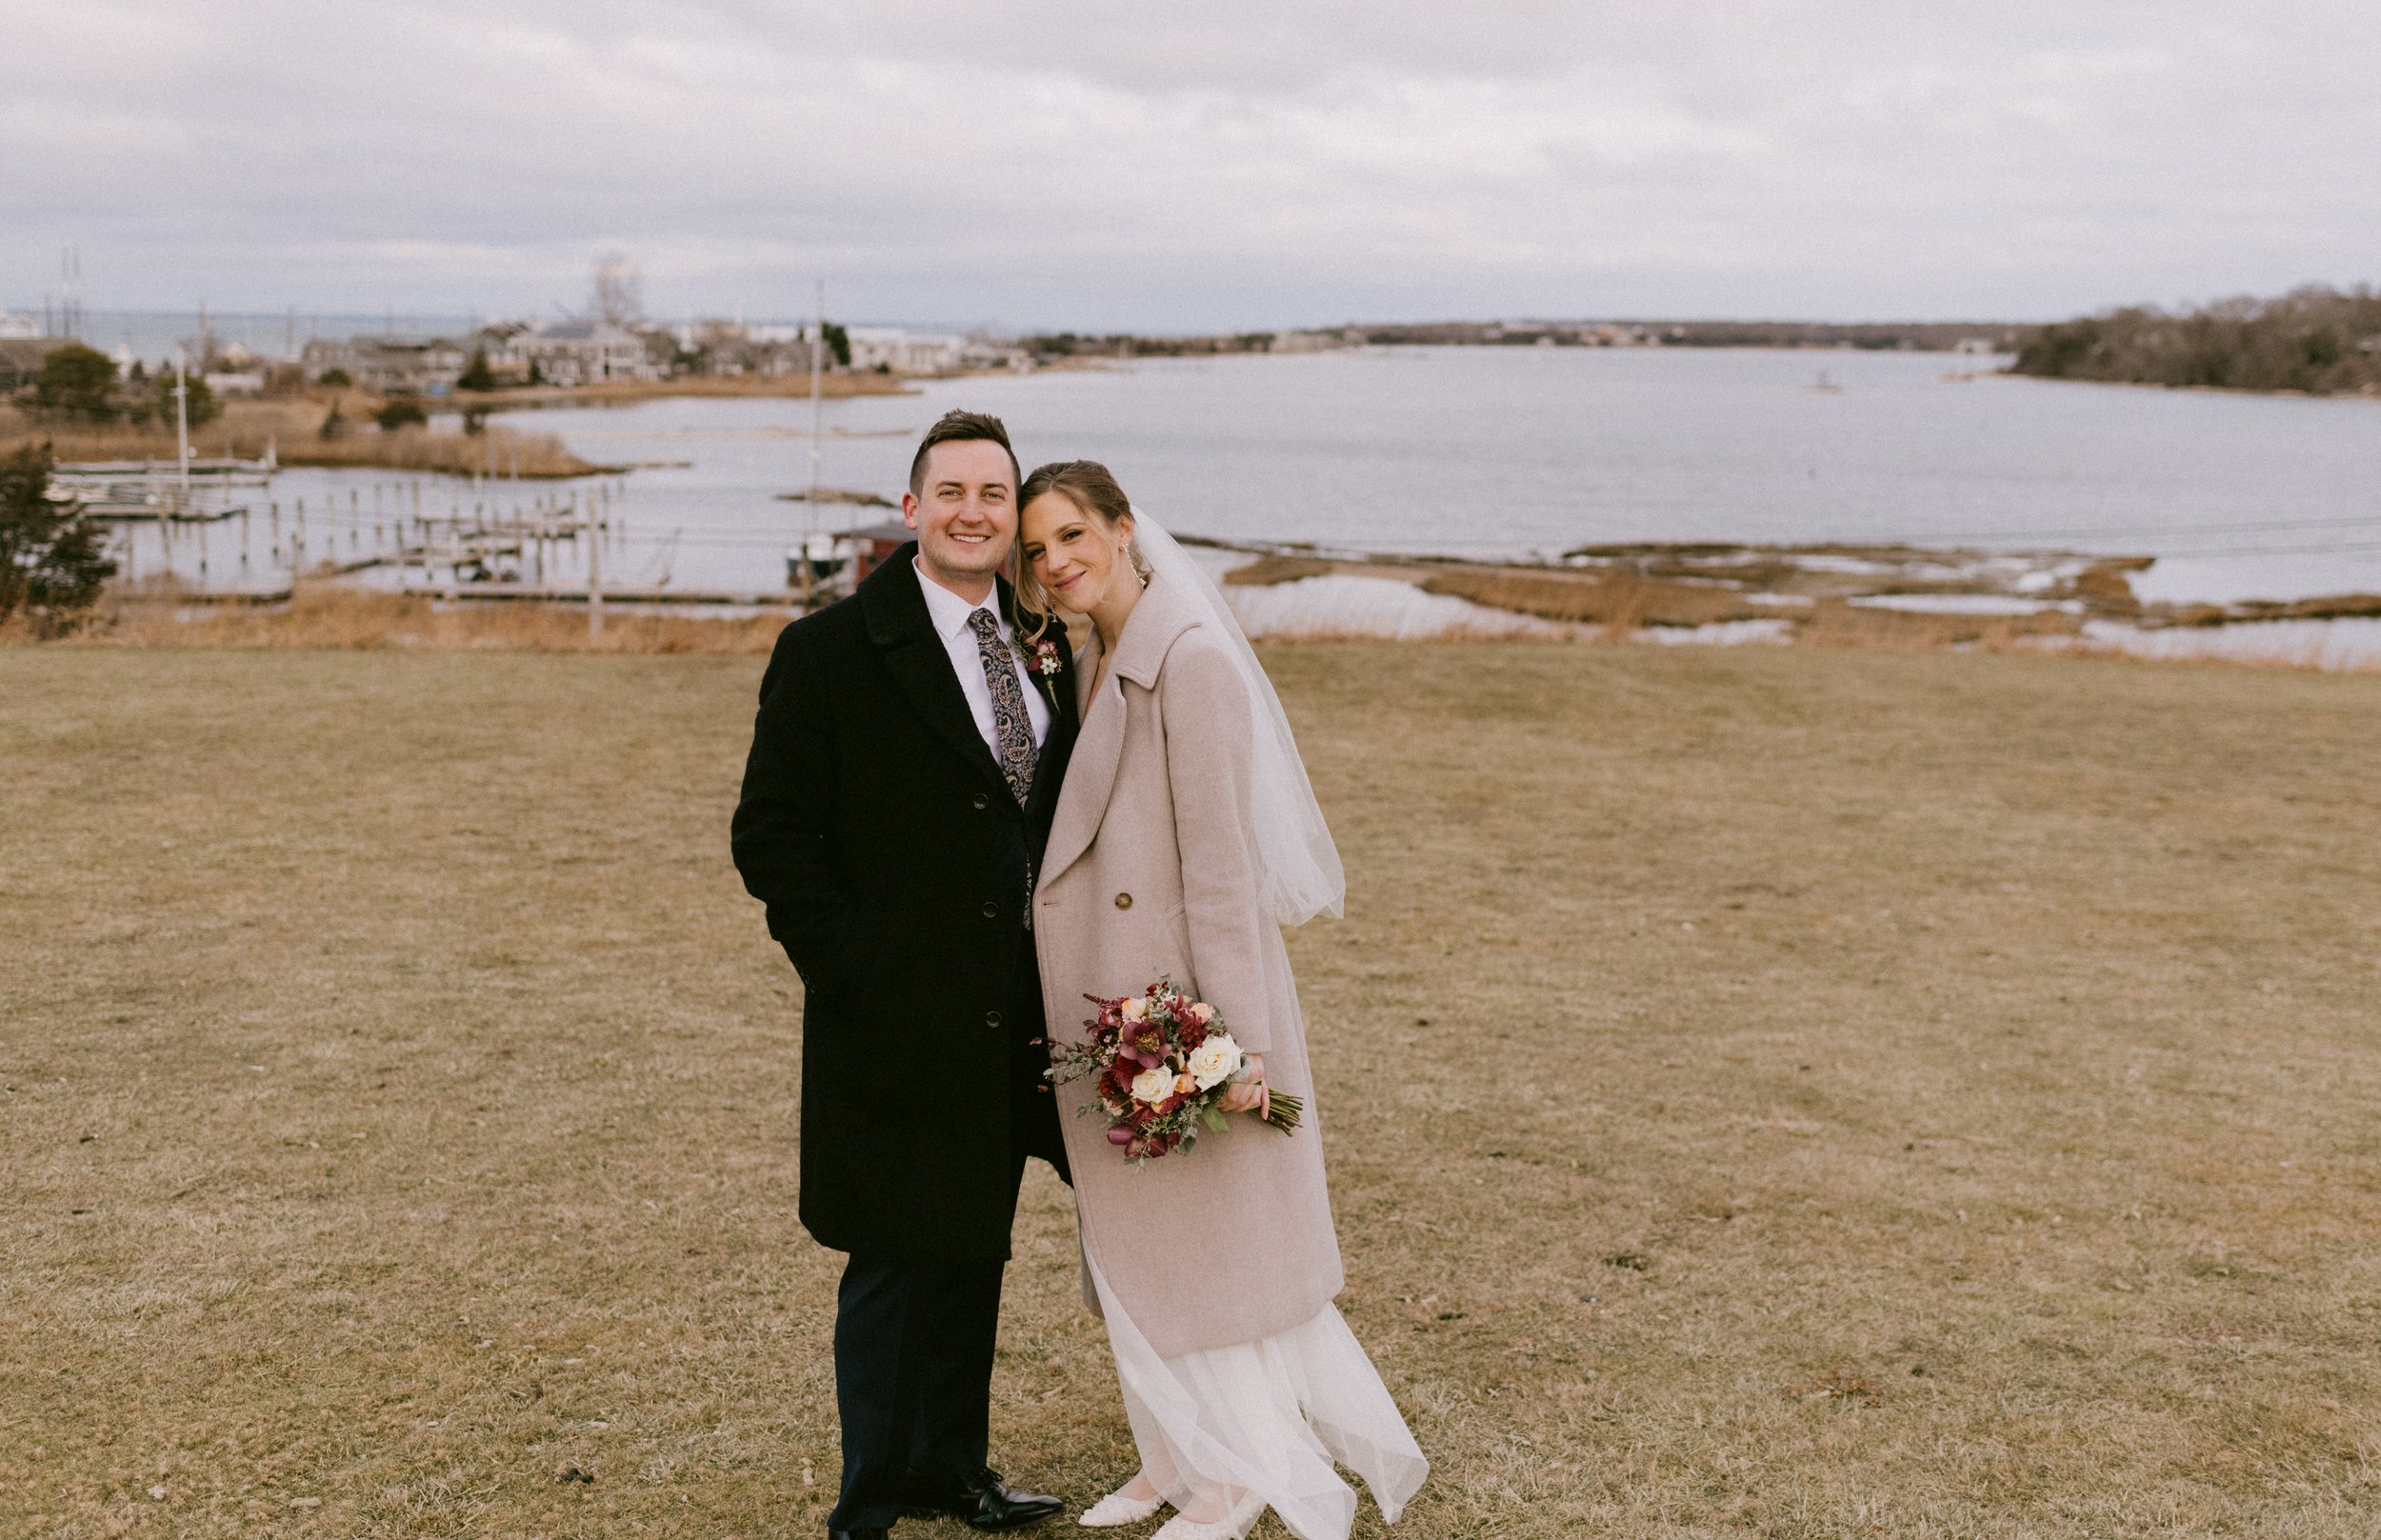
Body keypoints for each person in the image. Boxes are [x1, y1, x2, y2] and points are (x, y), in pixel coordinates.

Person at [1016, 461, 1428, 1540]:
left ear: (1121, 528)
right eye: (1035, 550)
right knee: (1139, 1246)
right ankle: (1169, 1455)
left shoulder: (1188, 663)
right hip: (1114, 1007)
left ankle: (1237, 1472)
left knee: (1210, 1249)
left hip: (1178, 1009)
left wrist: (1235, 1045)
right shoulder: (1096, 656)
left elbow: (1221, 872)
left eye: (1071, 535)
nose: (1055, 563)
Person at [732, 410, 1078, 1540]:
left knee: (973, 1246)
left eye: (994, 495)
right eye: (953, 493)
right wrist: (852, 969)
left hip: (1003, 1012)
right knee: (890, 1262)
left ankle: (952, 1469)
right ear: (910, 508)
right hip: (887, 1008)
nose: (973, 512)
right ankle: (871, 1497)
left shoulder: (1043, 647)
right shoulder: (828, 652)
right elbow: (772, 837)